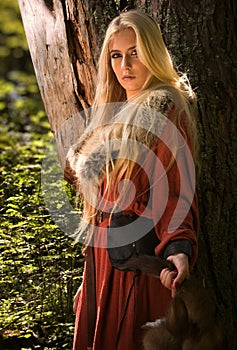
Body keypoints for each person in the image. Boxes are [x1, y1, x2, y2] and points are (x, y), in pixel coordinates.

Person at [66, 9, 199, 350]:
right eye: (116, 55)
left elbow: (176, 188)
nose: (125, 65)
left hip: (139, 263)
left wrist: (178, 248)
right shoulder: (108, 118)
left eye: (135, 53)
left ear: (152, 54)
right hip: (103, 262)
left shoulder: (164, 110)